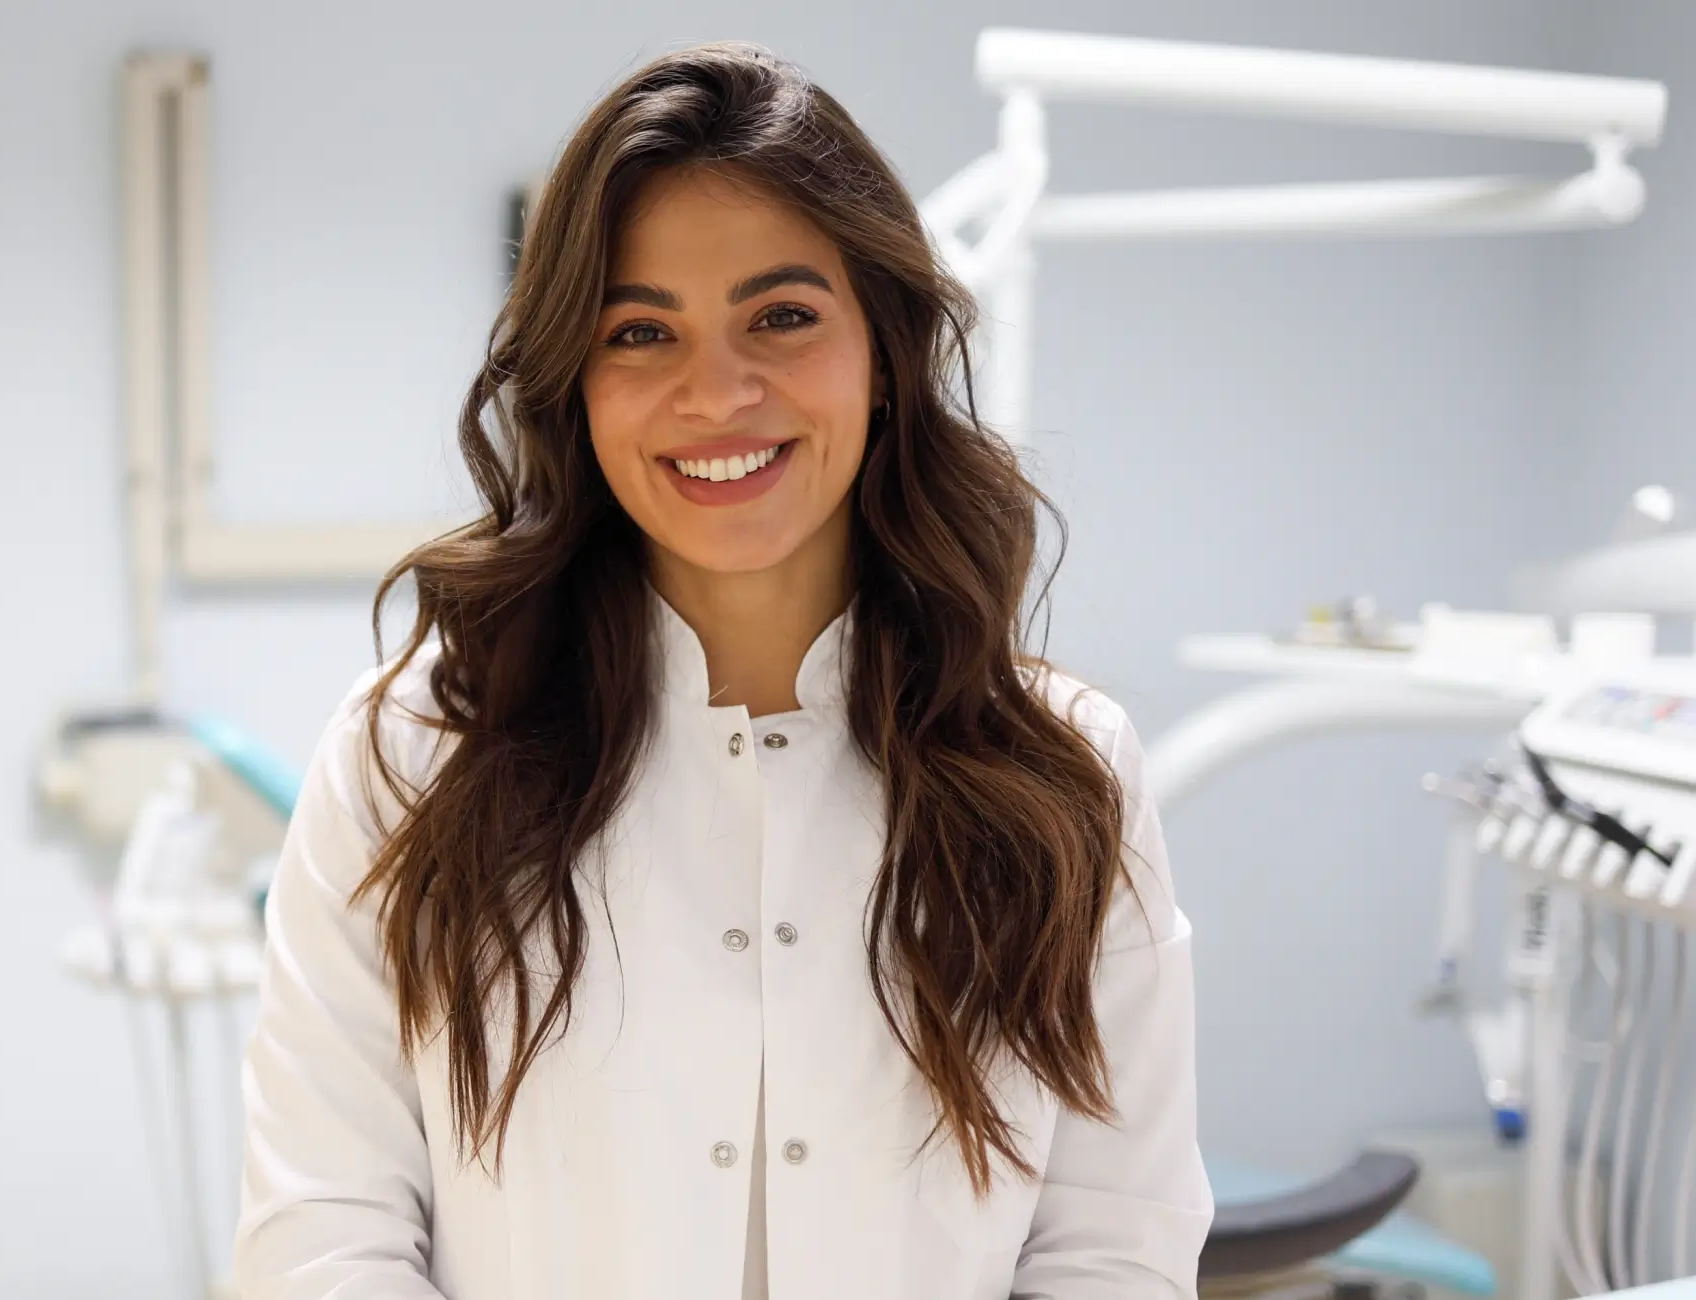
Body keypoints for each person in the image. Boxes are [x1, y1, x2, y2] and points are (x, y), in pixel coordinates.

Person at [233, 41, 1212, 1300]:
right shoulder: (414, 757)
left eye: (782, 317)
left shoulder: (1063, 773)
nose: (717, 390)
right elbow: (323, 1243)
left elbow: (1111, 1250)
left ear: (884, 356)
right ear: (573, 385)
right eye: (640, 331)